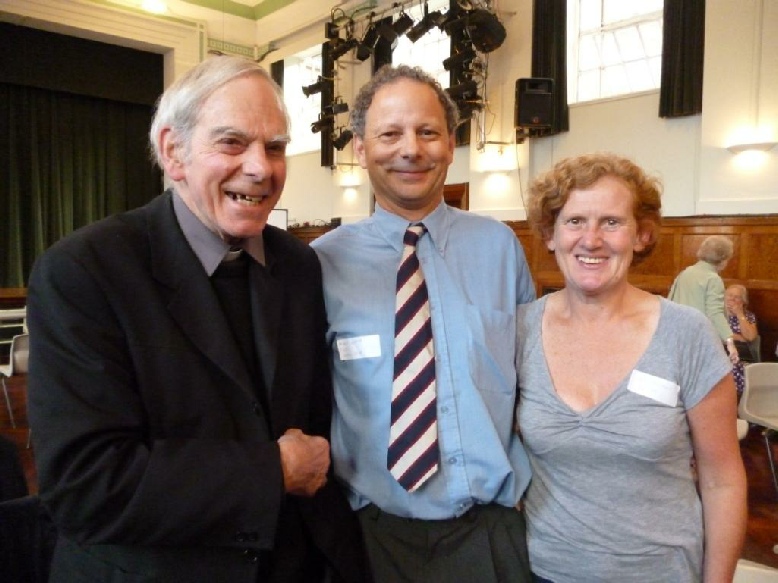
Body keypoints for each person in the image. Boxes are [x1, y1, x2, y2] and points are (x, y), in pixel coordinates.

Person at [26, 55, 370, 583]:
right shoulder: (84, 271)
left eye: (275, 146)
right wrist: (273, 471)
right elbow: (86, 485)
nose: (261, 167)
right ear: (173, 151)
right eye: (232, 142)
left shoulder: (298, 265)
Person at [311, 65, 536, 582]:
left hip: (492, 530)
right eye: (389, 133)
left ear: (451, 144)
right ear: (360, 148)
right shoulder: (321, 265)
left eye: (427, 131)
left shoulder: (500, 247)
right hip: (370, 535)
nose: (410, 149)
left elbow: (533, 382)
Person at [517, 153, 747, 582]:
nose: (591, 239)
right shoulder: (519, 331)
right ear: (550, 234)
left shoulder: (686, 333)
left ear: (641, 235)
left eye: (611, 222)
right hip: (544, 571)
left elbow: (723, 481)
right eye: (574, 221)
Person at [668, 235, 739, 364]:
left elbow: (670, 302)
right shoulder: (713, 279)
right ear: (723, 259)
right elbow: (714, 313)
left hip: (677, 339)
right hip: (698, 341)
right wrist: (729, 341)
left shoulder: (685, 273)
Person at [725, 284, 759, 395]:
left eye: (737, 297)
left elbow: (750, 337)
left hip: (742, 356)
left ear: (743, 301)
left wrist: (740, 314)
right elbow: (715, 333)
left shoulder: (748, 316)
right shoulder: (717, 314)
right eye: (729, 295)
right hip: (721, 353)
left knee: (738, 367)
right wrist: (738, 337)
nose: (732, 299)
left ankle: (736, 402)